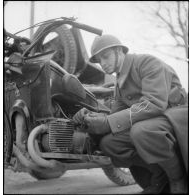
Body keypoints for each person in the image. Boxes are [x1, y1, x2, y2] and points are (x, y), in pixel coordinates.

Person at [72, 34, 188, 194]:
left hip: (175, 116)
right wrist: (91, 117)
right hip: (153, 121)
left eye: (105, 57)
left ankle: (178, 179)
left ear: (119, 51)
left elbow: (154, 103)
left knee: (141, 131)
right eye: (99, 61)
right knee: (110, 144)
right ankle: (161, 176)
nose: (103, 64)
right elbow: (115, 117)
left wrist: (107, 122)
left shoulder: (147, 63)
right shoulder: (120, 81)